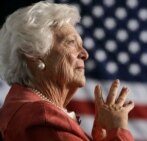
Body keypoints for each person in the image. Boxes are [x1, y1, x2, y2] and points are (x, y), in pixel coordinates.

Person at [0, 1, 135, 141]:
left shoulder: (29, 112)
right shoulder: (43, 118)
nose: (85, 54)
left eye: (81, 45)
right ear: (35, 55)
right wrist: (118, 130)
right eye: (70, 42)